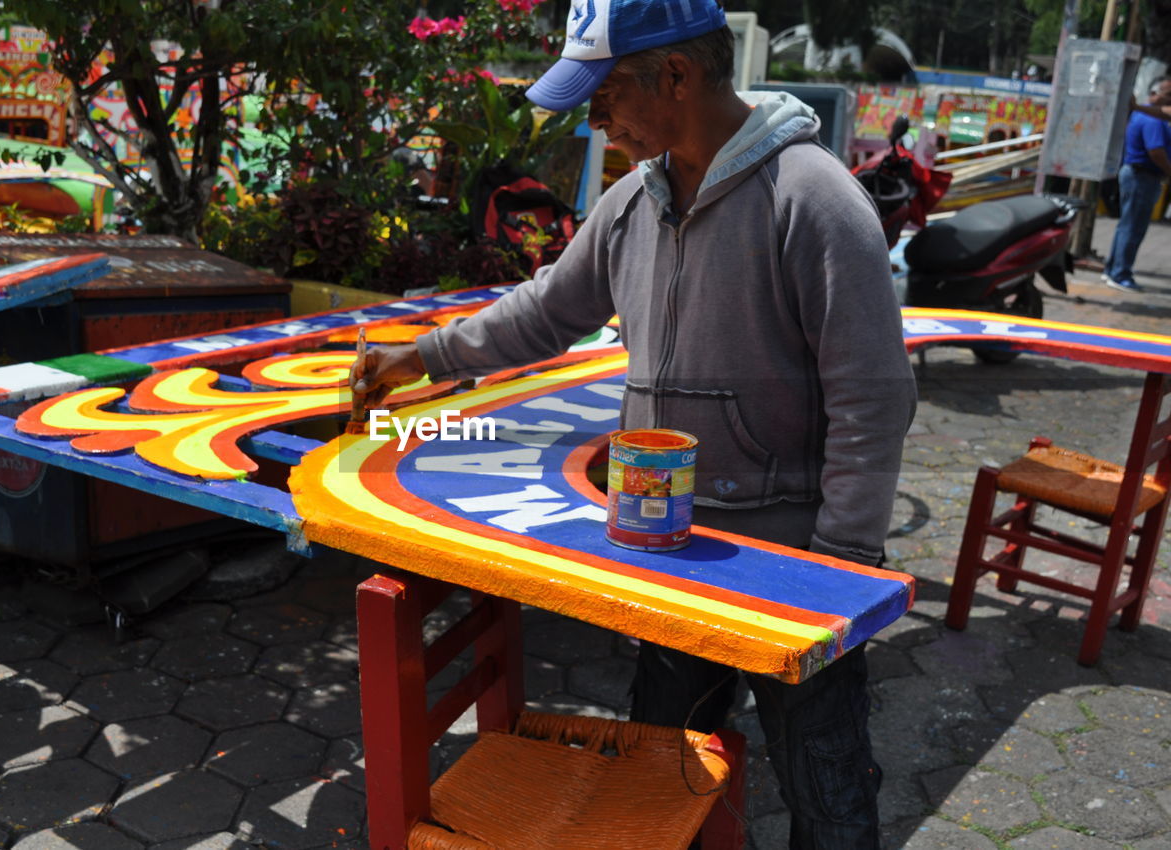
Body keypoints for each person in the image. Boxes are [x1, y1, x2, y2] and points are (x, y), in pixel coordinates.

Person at [352, 1, 916, 846]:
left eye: (605, 95)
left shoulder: (811, 198)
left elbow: (872, 398)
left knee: (826, 784)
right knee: (659, 768)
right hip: (667, 552)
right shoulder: (631, 205)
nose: (596, 120)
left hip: (796, 567)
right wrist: (422, 357)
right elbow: (543, 314)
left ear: (677, 76)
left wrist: (840, 568)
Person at [1102, 77, 1171, 293]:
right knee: (1133, 228)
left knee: (1127, 226)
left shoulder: (1148, 113)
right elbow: (1156, 151)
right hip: (1142, 177)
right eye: (1168, 95)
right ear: (1155, 94)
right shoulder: (1152, 119)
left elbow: (1164, 113)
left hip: (1139, 176)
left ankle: (1114, 269)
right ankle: (1120, 273)